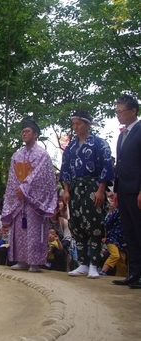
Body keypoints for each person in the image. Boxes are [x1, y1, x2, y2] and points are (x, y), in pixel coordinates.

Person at [60, 110, 114, 278]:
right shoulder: (71, 147)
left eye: (79, 123)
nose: (75, 127)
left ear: (88, 124)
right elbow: (65, 169)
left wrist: (100, 189)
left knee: (94, 224)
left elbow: (107, 166)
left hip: (93, 186)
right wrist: (66, 190)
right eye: (73, 124)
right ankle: (82, 263)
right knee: (77, 224)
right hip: (75, 187)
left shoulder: (100, 143)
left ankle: (94, 264)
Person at [1, 118, 57, 272]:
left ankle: (35, 262)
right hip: (20, 200)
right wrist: (17, 190)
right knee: (19, 230)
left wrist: (25, 188)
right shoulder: (16, 155)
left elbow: (41, 176)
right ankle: (21, 260)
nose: (24, 134)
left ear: (35, 134)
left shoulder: (42, 155)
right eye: (22, 132)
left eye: (27, 131)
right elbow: (12, 177)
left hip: (35, 200)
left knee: (34, 230)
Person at [112, 95, 141, 288]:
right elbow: (120, 163)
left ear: (133, 111)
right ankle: (135, 273)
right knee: (129, 233)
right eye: (116, 112)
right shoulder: (123, 135)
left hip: (137, 189)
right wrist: (115, 190)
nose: (118, 115)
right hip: (123, 189)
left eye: (121, 111)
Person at [101, 198, 127, 277]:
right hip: (112, 238)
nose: (111, 204)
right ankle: (103, 271)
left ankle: (120, 277)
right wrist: (104, 235)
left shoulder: (127, 212)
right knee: (115, 255)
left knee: (121, 261)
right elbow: (106, 224)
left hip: (122, 240)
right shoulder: (116, 211)